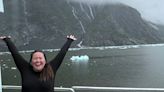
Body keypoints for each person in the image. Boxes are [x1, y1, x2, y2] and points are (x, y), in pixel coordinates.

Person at [0, 35, 77, 92]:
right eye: (35, 58)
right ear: (31, 61)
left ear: (45, 61)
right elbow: (15, 53)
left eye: (40, 58)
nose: (38, 61)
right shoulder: (25, 69)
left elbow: (61, 54)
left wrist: (69, 40)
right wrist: (7, 40)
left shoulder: (51, 68)